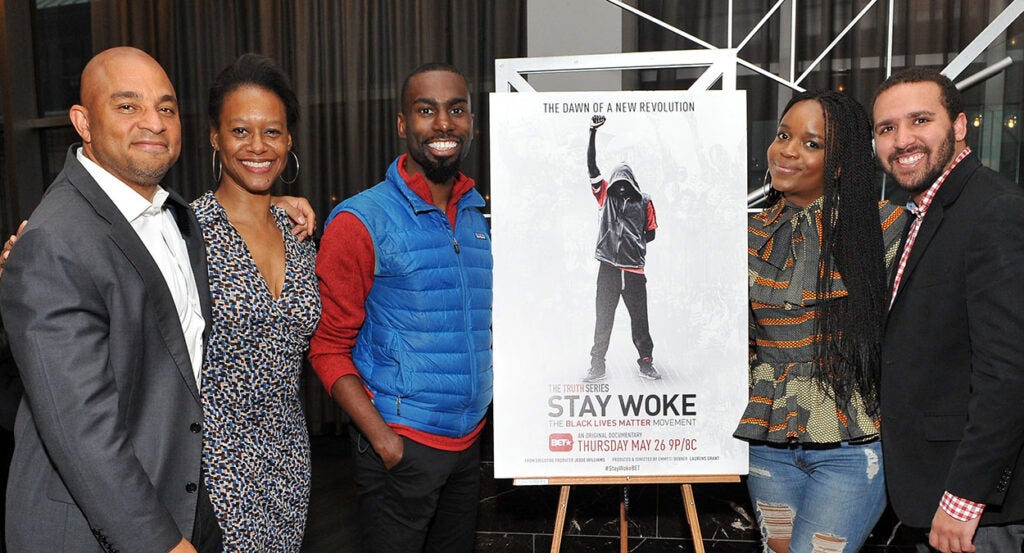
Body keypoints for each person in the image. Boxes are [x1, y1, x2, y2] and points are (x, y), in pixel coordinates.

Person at [0, 47, 314, 553]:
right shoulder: (55, 240)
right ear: (82, 121)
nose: (153, 122)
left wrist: (271, 202)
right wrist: (161, 542)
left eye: (165, 108)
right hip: (114, 522)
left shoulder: (176, 220)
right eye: (128, 106)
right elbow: (80, 431)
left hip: (209, 484)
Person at [309, 62, 491, 553]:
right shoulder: (359, 220)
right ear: (402, 124)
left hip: (467, 444)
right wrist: (385, 442)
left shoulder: (476, 216)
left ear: (471, 120)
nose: (444, 124)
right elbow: (328, 348)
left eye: (456, 110)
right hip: (401, 446)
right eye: (426, 110)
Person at [734, 90, 908, 553]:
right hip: (766, 443)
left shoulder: (888, 228)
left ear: (841, 161)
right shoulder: (747, 234)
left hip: (853, 448)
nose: (786, 150)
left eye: (811, 143)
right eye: (783, 135)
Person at [873, 67, 1024, 553]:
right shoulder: (926, 213)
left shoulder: (994, 210)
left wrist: (963, 498)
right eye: (886, 128)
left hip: (976, 511)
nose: (902, 140)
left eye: (920, 120)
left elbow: (1009, 372)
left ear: (959, 126)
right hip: (931, 492)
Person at [193, 53, 320, 552]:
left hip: (290, 459)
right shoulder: (184, 232)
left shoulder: (299, 234)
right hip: (212, 465)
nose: (257, 146)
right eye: (240, 131)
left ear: (289, 141)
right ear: (215, 137)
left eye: (273, 132)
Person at [581, 114, 660, 383]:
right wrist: (592, 132)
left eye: (627, 185)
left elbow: (650, 233)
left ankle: (646, 362)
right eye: (619, 184)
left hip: (634, 271)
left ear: (633, 184)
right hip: (609, 269)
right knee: (603, 319)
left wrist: (630, 247)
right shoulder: (605, 194)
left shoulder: (645, 201)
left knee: (640, 320)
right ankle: (597, 365)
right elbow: (592, 166)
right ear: (614, 184)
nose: (622, 189)